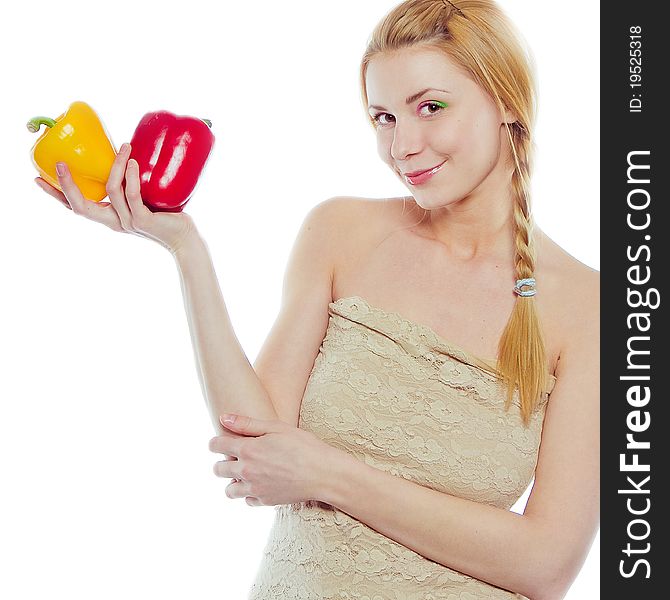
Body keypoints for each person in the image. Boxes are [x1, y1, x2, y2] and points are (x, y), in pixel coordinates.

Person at [35, 0, 599, 598]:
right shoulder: (341, 232)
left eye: (430, 108)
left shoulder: (587, 310)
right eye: (383, 117)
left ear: (508, 103)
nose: (402, 145)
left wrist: (329, 475)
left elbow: (546, 565)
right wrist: (185, 248)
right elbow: (255, 441)